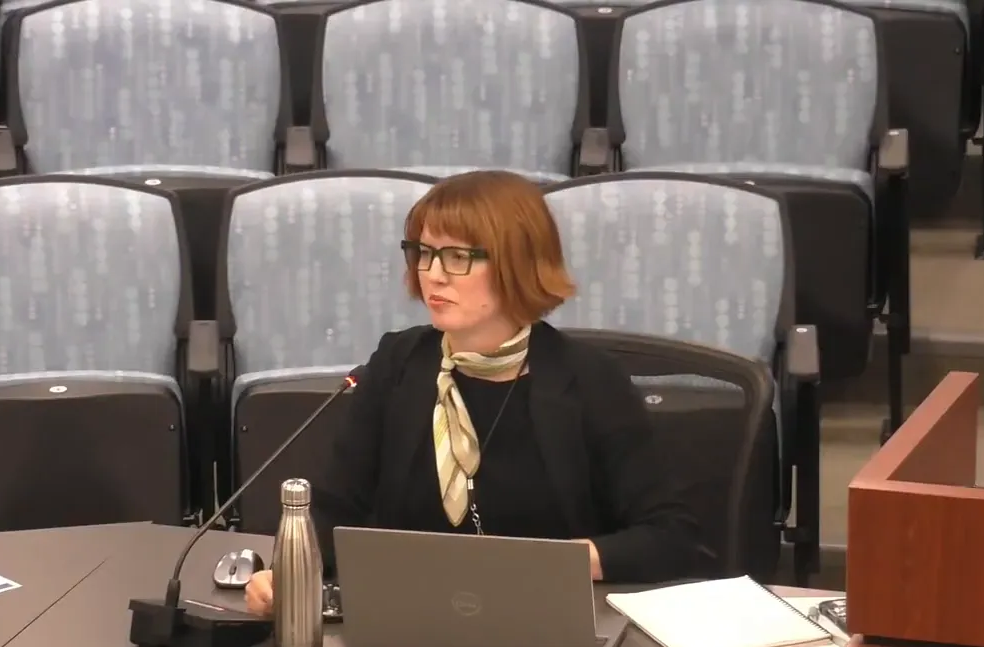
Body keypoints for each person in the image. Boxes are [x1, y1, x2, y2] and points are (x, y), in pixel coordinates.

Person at [245, 170, 698, 617]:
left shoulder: (590, 380)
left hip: (546, 621)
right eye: (424, 253)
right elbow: (336, 508)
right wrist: (290, 570)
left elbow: (672, 537)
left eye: (458, 257)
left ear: (516, 263)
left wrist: (564, 563)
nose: (433, 275)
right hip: (408, 621)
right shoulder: (399, 363)